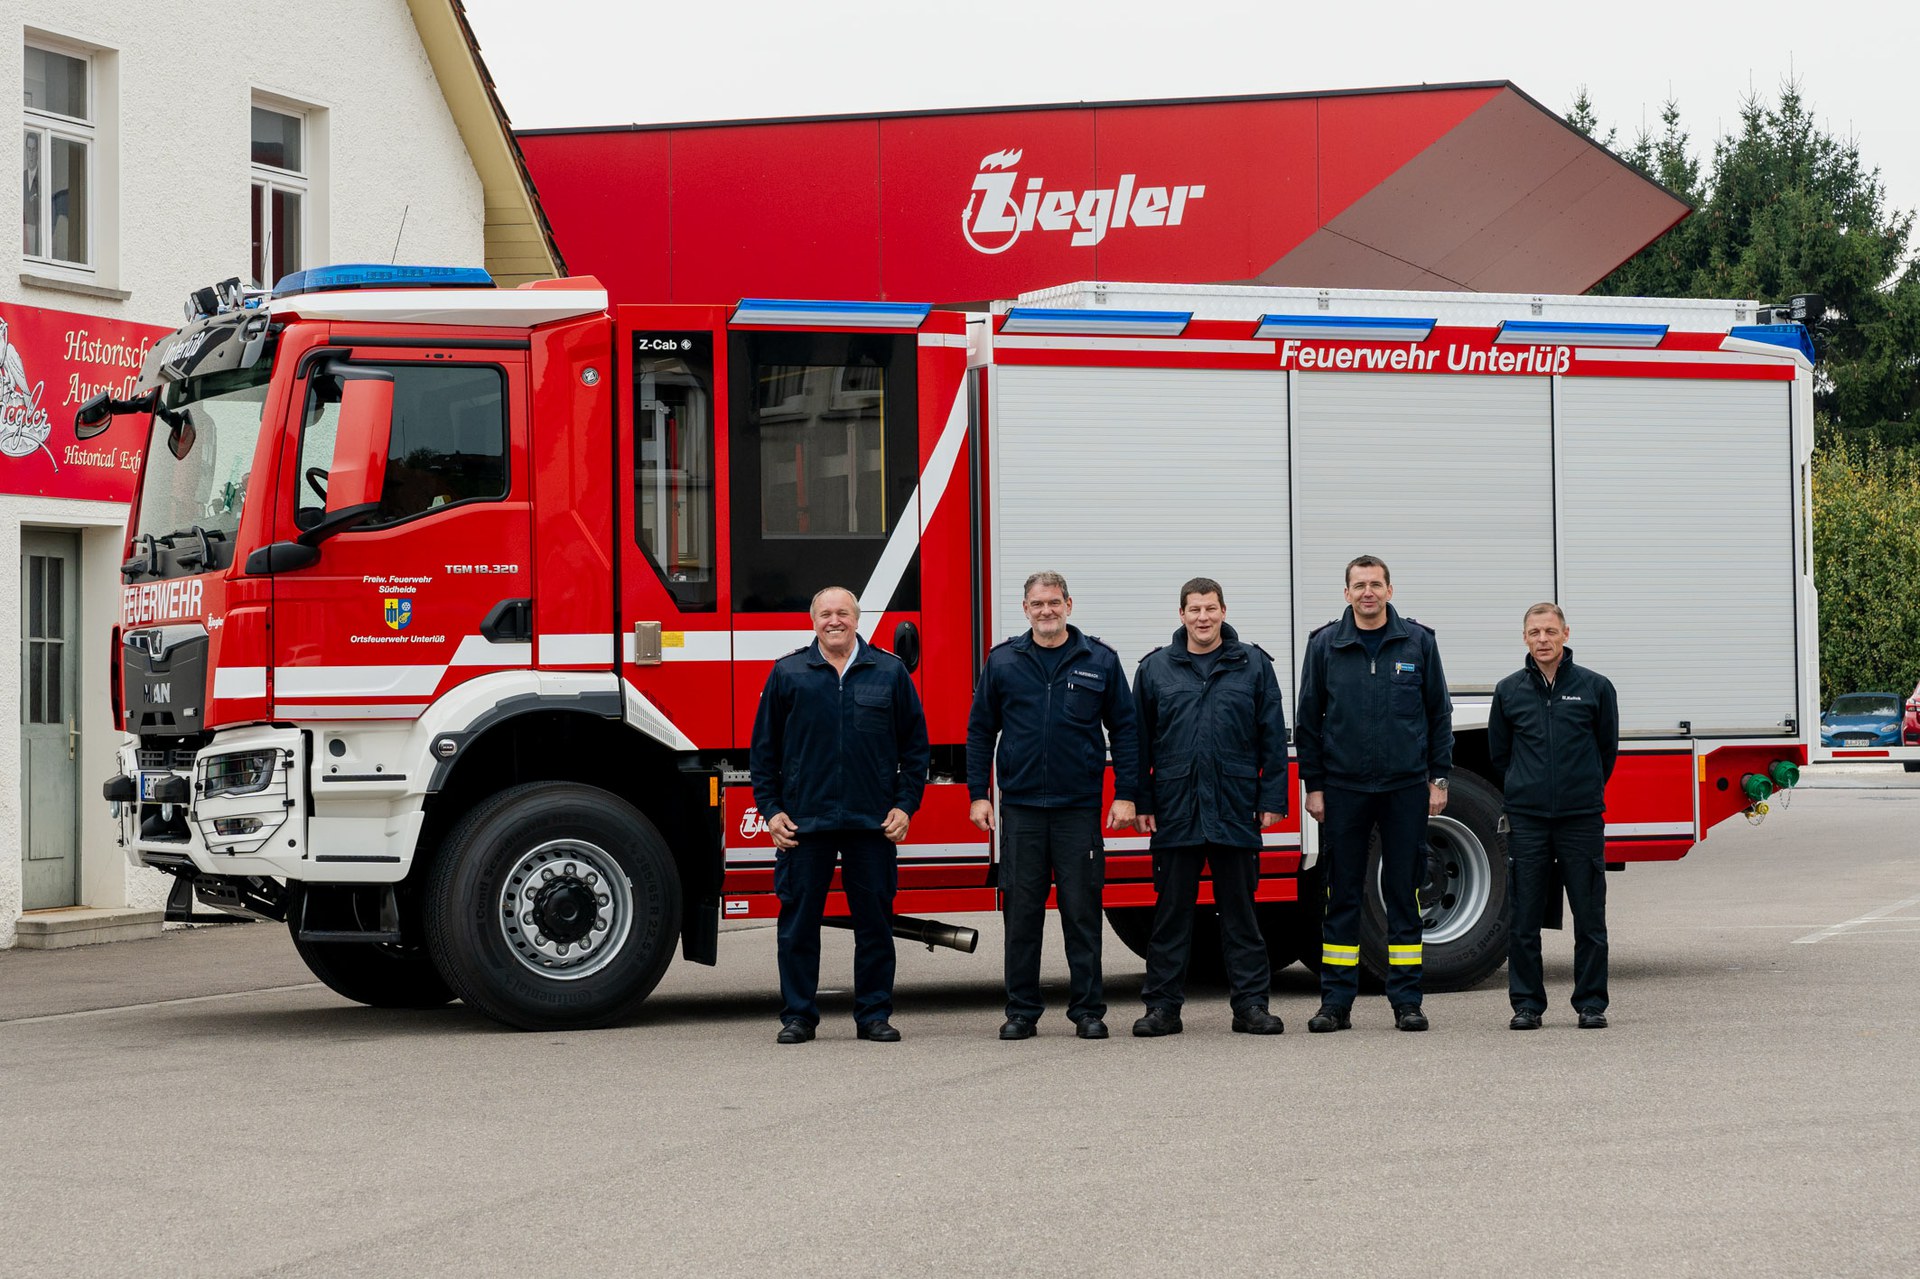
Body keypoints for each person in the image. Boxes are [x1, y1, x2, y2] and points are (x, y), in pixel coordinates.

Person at [750, 586, 929, 1044]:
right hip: (804, 823)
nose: (835, 620)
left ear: (857, 618)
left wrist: (905, 804)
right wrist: (771, 810)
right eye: (826, 613)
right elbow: (764, 752)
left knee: (874, 926)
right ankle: (798, 1017)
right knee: (798, 927)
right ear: (813, 621)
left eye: (843, 613)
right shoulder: (788, 673)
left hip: (872, 823)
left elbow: (915, 749)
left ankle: (873, 1016)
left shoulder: (888, 671)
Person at [967, 571, 1141, 1041]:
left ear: (1069, 604)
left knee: (1082, 914)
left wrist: (1126, 794)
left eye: (1054, 602)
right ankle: (1021, 1012)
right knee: (1022, 916)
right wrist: (979, 795)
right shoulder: (1003, 661)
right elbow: (980, 730)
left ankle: (1088, 1011)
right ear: (1025, 609)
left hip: (1077, 810)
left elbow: (1125, 730)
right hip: (1021, 810)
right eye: (1038, 604)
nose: (1047, 611)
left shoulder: (1099, 660)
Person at [1296, 555, 1452, 1033]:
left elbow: (1438, 713)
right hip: (1344, 788)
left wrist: (1438, 779)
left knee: (1404, 893)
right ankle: (1335, 1004)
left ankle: (1407, 1001)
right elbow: (1308, 720)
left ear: (1390, 590)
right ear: (1346, 593)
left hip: (1405, 787)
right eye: (1359, 585)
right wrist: (1315, 786)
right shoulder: (1324, 645)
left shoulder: (1418, 642)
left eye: (1376, 584)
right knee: (1341, 894)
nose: (1368, 592)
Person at [1130, 577, 1290, 1037]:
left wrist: (1272, 798)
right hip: (1175, 808)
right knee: (1170, 916)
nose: (1203, 617)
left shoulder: (1253, 665)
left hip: (1234, 807)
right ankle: (1162, 1008)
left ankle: (1251, 1007)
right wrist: (1142, 799)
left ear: (1223, 611)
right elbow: (1138, 743)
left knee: (1241, 915)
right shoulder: (1155, 669)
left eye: (1211, 608)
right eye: (1195, 609)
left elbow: (1272, 736)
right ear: (1181, 614)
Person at [1488, 603, 1620, 1030]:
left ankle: (1591, 1003)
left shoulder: (1596, 687)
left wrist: (1583, 788)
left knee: (1589, 917)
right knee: (1524, 919)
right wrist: (1525, 788)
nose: (1542, 639)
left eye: (1549, 631)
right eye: (1534, 632)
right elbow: (1499, 755)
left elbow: (1606, 750)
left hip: (1581, 818)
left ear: (1566, 633)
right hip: (1527, 820)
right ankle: (1527, 1005)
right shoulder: (1509, 691)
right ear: (1524, 637)